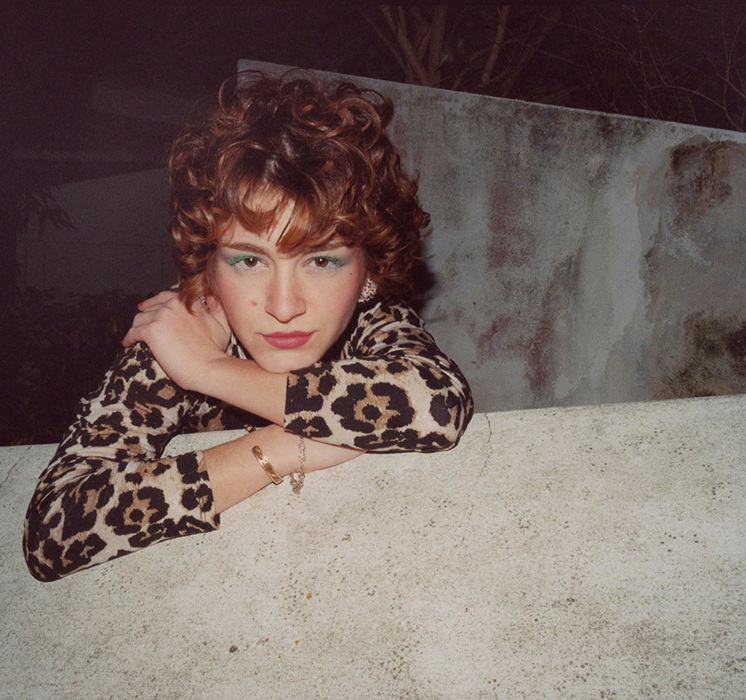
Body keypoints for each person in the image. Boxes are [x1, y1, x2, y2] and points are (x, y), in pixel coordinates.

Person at [23, 72, 474, 582]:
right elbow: (53, 531)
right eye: (249, 261)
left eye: (322, 261)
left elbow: (437, 405)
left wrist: (211, 372)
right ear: (208, 266)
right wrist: (282, 448)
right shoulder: (186, 331)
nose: (284, 307)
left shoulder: (371, 315)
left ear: (368, 271)